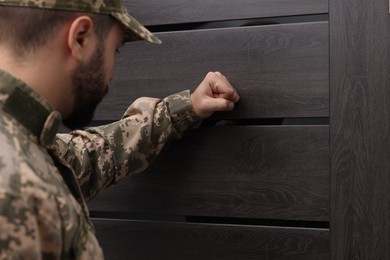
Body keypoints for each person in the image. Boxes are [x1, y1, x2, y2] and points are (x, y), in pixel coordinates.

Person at [0, 0, 240, 259]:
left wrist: (185, 107)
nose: (111, 74)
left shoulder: (24, 141)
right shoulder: (14, 188)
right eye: (114, 51)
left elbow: (88, 157)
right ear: (80, 38)